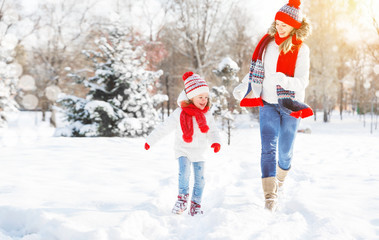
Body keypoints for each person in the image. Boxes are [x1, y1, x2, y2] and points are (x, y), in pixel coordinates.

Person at [233, 0, 312, 211]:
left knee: (285, 151)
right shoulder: (267, 44)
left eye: (284, 24)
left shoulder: (302, 50)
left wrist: (283, 80)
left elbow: (302, 82)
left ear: (295, 25)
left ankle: (281, 181)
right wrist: (243, 86)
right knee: (268, 148)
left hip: (290, 105)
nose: (279, 26)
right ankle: (270, 196)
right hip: (267, 103)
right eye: (278, 22)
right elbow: (256, 71)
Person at [145, 71, 221, 216]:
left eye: (206, 97)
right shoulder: (179, 113)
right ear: (191, 96)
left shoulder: (207, 114)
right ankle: (182, 200)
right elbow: (164, 127)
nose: (204, 100)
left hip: (199, 152)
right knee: (184, 175)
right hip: (183, 149)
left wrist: (216, 142)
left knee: (201, 180)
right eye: (200, 97)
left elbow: (213, 131)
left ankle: (196, 204)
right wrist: (150, 140)